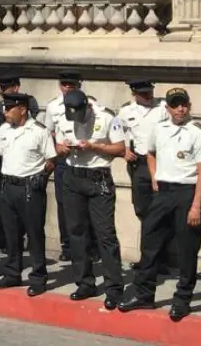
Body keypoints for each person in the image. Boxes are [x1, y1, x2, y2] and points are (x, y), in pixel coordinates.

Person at [120, 87, 201, 321]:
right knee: (150, 243)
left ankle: (182, 300)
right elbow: (150, 153)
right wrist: (154, 176)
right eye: (175, 104)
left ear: (189, 105)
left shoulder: (197, 132)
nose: (180, 108)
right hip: (163, 193)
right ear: (168, 107)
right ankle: (144, 295)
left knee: (187, 248)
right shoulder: (158, 129)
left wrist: (196, 206)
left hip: (186, 193)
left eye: (184, 104)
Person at [53, 88, 125, 309]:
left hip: (98, 178)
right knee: (76, 232)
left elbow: (121, 148)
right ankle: (85, 282)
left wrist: (95, 146)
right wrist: (62, 148)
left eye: (79, 113)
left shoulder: (107, 118)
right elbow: (57, 144)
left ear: (87, 107)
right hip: (73, 176)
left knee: (105, 234)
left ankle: (113, 288)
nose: (75, 118)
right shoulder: (61, 118)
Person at [0, 92, 54, 295]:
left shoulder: (39, 131)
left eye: (9, 109)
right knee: (11, 233)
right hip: (8, 186)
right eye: (5, 108)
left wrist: (42, 177)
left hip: (30, 188)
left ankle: (38, 277)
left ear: (23, 110)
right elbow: (1, 155)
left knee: (34, 233)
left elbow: (51, 158)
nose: (5, 112)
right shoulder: (3, 129)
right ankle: (12, 273)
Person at [117, 79, 169, 261]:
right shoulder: (125, 111)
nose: (148, 96)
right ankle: (149, 257)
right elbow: (117, 133)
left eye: (150, 92)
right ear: (134, 94)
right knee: (142, 210)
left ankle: (157, 257)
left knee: (161, 210)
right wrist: (124, 150)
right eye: (143, 94)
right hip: (139, 164)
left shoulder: (163, 106)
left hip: (162, 163)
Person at [0, 75, 39, 250]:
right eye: (1, 87)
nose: (2, 91)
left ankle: (25, 238)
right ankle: (4, 236)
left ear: (16, 87)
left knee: (24, 203)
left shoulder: (27, 102)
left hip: (20, 159)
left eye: (6, 87)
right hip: (1, 158)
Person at [41, 71, 85, 260]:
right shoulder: (52, 106)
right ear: (60, 86)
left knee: (85, 205)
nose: (68, 88)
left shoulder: (88, 103)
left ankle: (87, 247)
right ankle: (67, 246)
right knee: (64, 205)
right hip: (64, 162)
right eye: (65, 84)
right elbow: (48, 133)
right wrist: (57, 147)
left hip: (84, 161)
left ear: (78, 86)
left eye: (72, 85)